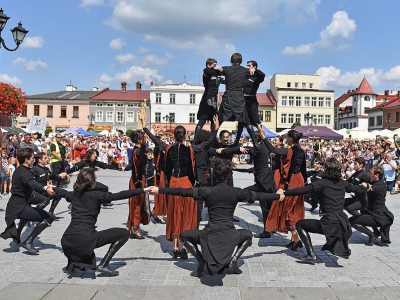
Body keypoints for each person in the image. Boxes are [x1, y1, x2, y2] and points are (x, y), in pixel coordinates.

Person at [148, 157, 284, 276]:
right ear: (229, 174)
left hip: (209, 235)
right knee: (248, 235)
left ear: (213, 174)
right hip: (230, 235)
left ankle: (201, 262)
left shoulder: (207, 191)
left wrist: (160, 190)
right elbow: (261, 195)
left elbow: (182, 192)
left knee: (184, 235)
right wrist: (278, 196)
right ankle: (234, 260)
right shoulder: (237, 192)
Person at [54, 168, 148, 276]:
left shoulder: (74, 195)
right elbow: (121, 195)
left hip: (67, 240)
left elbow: (62, 192)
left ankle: (74, 263)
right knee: (124, 233)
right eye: (95, 178)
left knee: (82, 236)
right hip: (85, 240)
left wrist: (51, 188)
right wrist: (143, 190)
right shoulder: (98, 196)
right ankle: (103, 265)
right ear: (92, 181)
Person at [278, 158, 367, 264]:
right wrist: (367, 186)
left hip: (329, 222)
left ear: (326, 169)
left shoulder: (322, 183)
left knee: (300, 224)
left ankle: (311, 255)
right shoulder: (343, 184)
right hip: (343, 222)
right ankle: (338, 246)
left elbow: (303, 189)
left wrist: (285, 192)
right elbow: (357, 188)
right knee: (331, 228)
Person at [0, 148, 55, 254]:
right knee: (49, 217)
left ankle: (17, 236)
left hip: (16, 205)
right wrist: (45, 188)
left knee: (28, 214)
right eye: (32, 158)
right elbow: (34, 185)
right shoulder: (25, 173)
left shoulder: (19, 170)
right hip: (19, 206)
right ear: (26, 159)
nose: (34, 160)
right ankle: (28, 241)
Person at [259, 127, 306, 250]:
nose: (285, 139)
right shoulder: (302, 150)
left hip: (293, 182)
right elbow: (304, 170)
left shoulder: (289, 151)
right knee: (294, 210)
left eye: (287, 137)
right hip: (300, 180)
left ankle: (297, 240)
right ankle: (293, 240)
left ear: (291, 139)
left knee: (288, 211)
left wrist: (263, 136)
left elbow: (272, 149)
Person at [233, 131, 275, 238]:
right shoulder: (264, 147)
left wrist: (241, 141)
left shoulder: (259, 148)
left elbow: (242, 150)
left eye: (253, 140)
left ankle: (267, 231)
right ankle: (271, 228)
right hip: (266, 180)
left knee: (265, 206)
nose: (252, 142)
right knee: (267, 207)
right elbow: (257, 166)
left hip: (263, 182)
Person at [215, 53, 259, 149]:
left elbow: (218, 70)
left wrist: (216, 68)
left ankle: (212, 139)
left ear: (231, 61)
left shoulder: (227, 69)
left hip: (228, 97)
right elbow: (254, 73)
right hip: (239, 98)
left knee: (219, 119)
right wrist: (253, 70)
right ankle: (255, 142)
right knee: (246, 121)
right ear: (241, 61)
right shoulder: (245, 70)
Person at [350, 166, 394, 246]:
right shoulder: (378, 182)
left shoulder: (379, 186)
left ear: (376, 175)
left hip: (378, 216)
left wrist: (366, 186)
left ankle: (372, 235)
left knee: (351, 221)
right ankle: (376, 232)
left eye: (371, 173)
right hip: (375, 212)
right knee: (362, 210)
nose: (369, 175)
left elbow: (372, 189)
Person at [126, 130, 149, 239]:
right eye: (143, 138)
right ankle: (134, 228)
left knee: (136, 204)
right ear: (139, 139)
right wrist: (145, 140)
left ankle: (129, 227)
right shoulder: (137, 151)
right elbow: (142, 151)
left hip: (139, 179)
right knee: (137, 204)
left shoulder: (137, 150)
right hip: (138, 181)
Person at [234, 60, 265, 143]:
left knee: (256, 121)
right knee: (241, 121)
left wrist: (255, 71)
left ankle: (263, 139)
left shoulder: (257, 76)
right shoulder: (245, 75)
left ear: (254, 67)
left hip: (252, 100)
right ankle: (237, 141)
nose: (247, 67)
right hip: (243, 100)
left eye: (249, 66)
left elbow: (262, 75)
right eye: (247, 65)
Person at [195, 58, 222, 138]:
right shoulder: (206, 71)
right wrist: (216, 69)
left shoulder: (216, 76)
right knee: (202, 120)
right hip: (207, 100)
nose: (216, 66)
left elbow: (222, 78)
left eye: (216, 65)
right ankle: (196, 138)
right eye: (214, 65)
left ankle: (213, 139)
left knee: (214, 121)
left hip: (214, 101)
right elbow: (209, 71)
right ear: (208, 65)